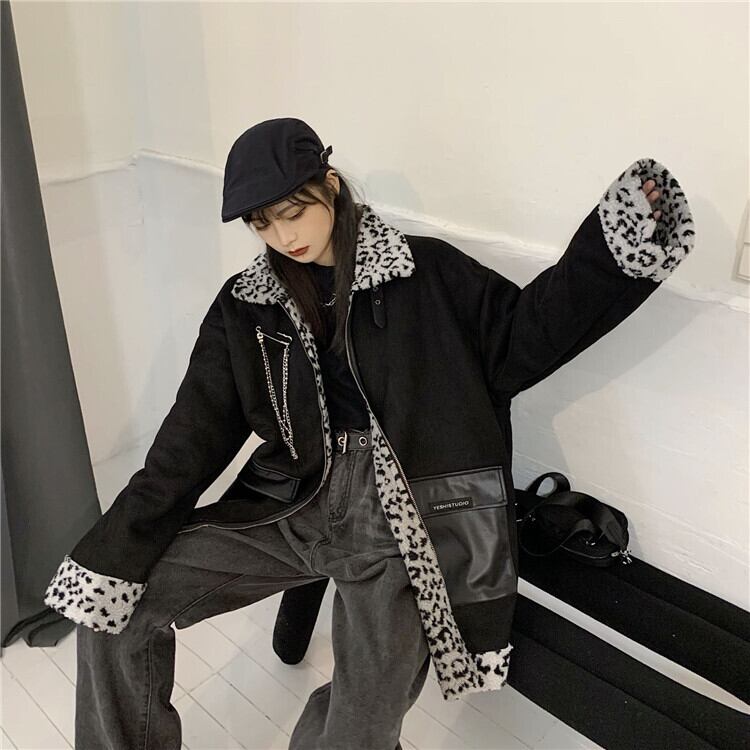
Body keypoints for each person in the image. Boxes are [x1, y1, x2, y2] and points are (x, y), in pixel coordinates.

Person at [43, 117, 695, 749]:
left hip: (404, 521)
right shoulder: (247, 305)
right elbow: (189, 440)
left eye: (292, 211)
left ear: (329, 185)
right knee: (113, 612)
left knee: (361, 725)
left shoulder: (425, 274)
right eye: (262, 223)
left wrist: (612, 246)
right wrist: (115, 549)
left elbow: (527, 338)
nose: (283, 236)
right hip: (293, 505)